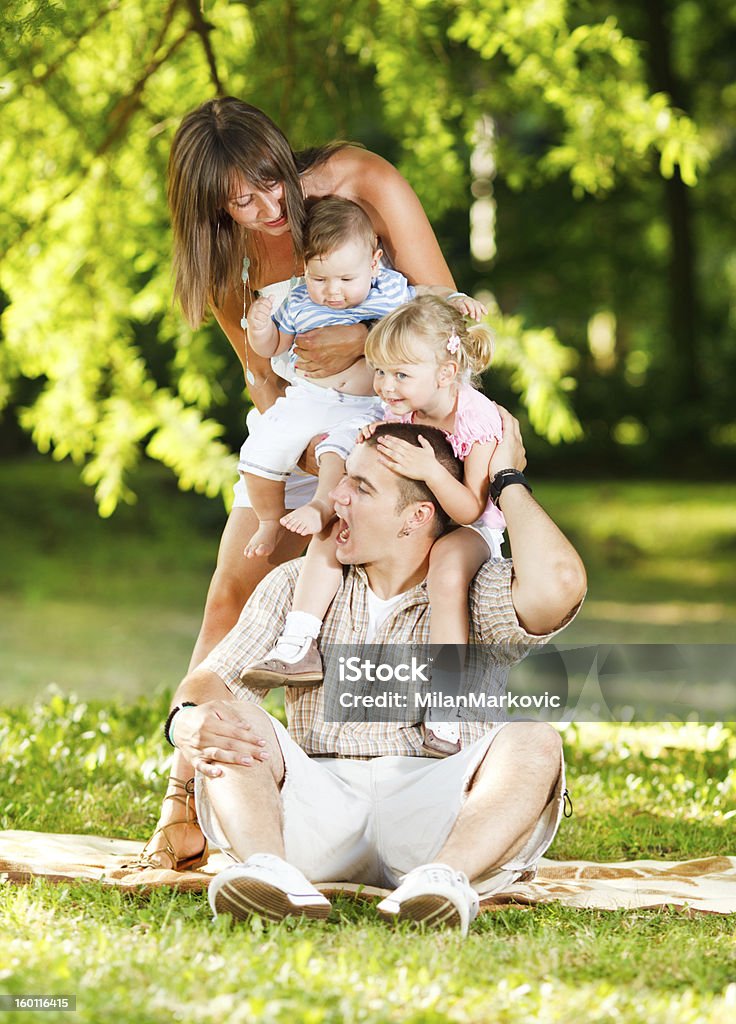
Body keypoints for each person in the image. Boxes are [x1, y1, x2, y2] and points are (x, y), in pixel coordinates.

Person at [141, 96, 472, 872]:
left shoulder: (360, 182)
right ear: (208, 207)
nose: (266, 207)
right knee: (230, 590)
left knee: (418, 593)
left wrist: (363, 346)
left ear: (282, 158)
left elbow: (447, 320)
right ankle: (181, 798)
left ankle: (433, 788)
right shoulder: (232, 266)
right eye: (240, 200)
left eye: (270, 182)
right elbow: (264, 389)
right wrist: (312, 471)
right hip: (308, 432)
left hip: (400, 419)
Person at [161, 411, 586, 936]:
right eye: (342, 483)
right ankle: (268, 872)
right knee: (230, 715)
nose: (336, 498)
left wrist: (507, 482)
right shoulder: (299, 585)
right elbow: (214, 679)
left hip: (439, 811)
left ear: (415, 517)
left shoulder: (477, 587)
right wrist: (184, 722)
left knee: (534, 740)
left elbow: (562, 582)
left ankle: (443, 882)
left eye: (360, 488)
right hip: (315, 810)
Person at [241, 296, 505, 757]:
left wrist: (430, 469)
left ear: (445, 372)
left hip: (470, 527)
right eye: (379, 372)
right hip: (417, 520)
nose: (384, 386)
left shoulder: (476, 417)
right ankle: (298, 641)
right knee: (329, 532)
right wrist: (363, 436)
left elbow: (468, 508)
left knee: (445, 568)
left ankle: (445, 705)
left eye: (400, 375)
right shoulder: (400, 408)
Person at [239, 197, 485, 558]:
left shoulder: (390, 290)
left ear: (374, 264)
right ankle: (269, 521)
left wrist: (456, 298)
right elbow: (273, 345)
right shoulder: (299, 301)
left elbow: (427, 295)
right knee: (260, 446)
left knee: (337, 448)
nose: (332, 291)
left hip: (367, 403)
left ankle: (322, 505)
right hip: (310, 399)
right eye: (318, 278)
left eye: (346, 279)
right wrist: (260, 328)